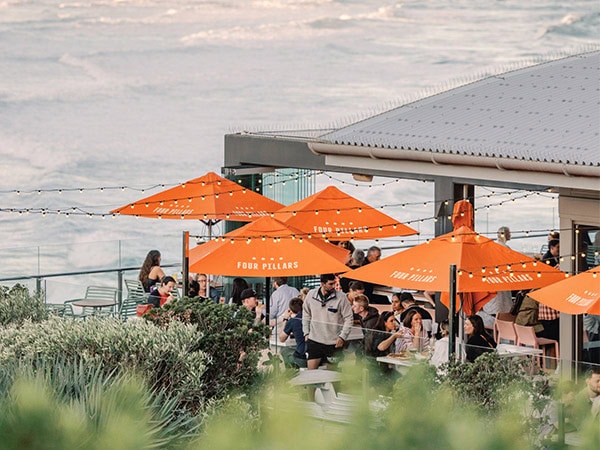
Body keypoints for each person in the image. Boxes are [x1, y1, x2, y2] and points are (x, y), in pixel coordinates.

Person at [302, 273, 354, 370]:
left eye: (334, 283)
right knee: (311, 375)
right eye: (330, 284)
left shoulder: (341, 297)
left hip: (334, 342)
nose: (333, 286)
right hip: (315, 340)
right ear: (322, 284)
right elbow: (306, 314)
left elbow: (349, 318)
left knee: (334, 376)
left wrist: (342, 337)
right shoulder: (311, 295)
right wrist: (306, 332)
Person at [278, 297, 307, 368]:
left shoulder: (293, 321)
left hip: (301, 358)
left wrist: (285, 319)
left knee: (283, 351)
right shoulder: (309, 317)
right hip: (315, 355)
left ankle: (289, 373)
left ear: (290, 310)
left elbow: (281, 338)